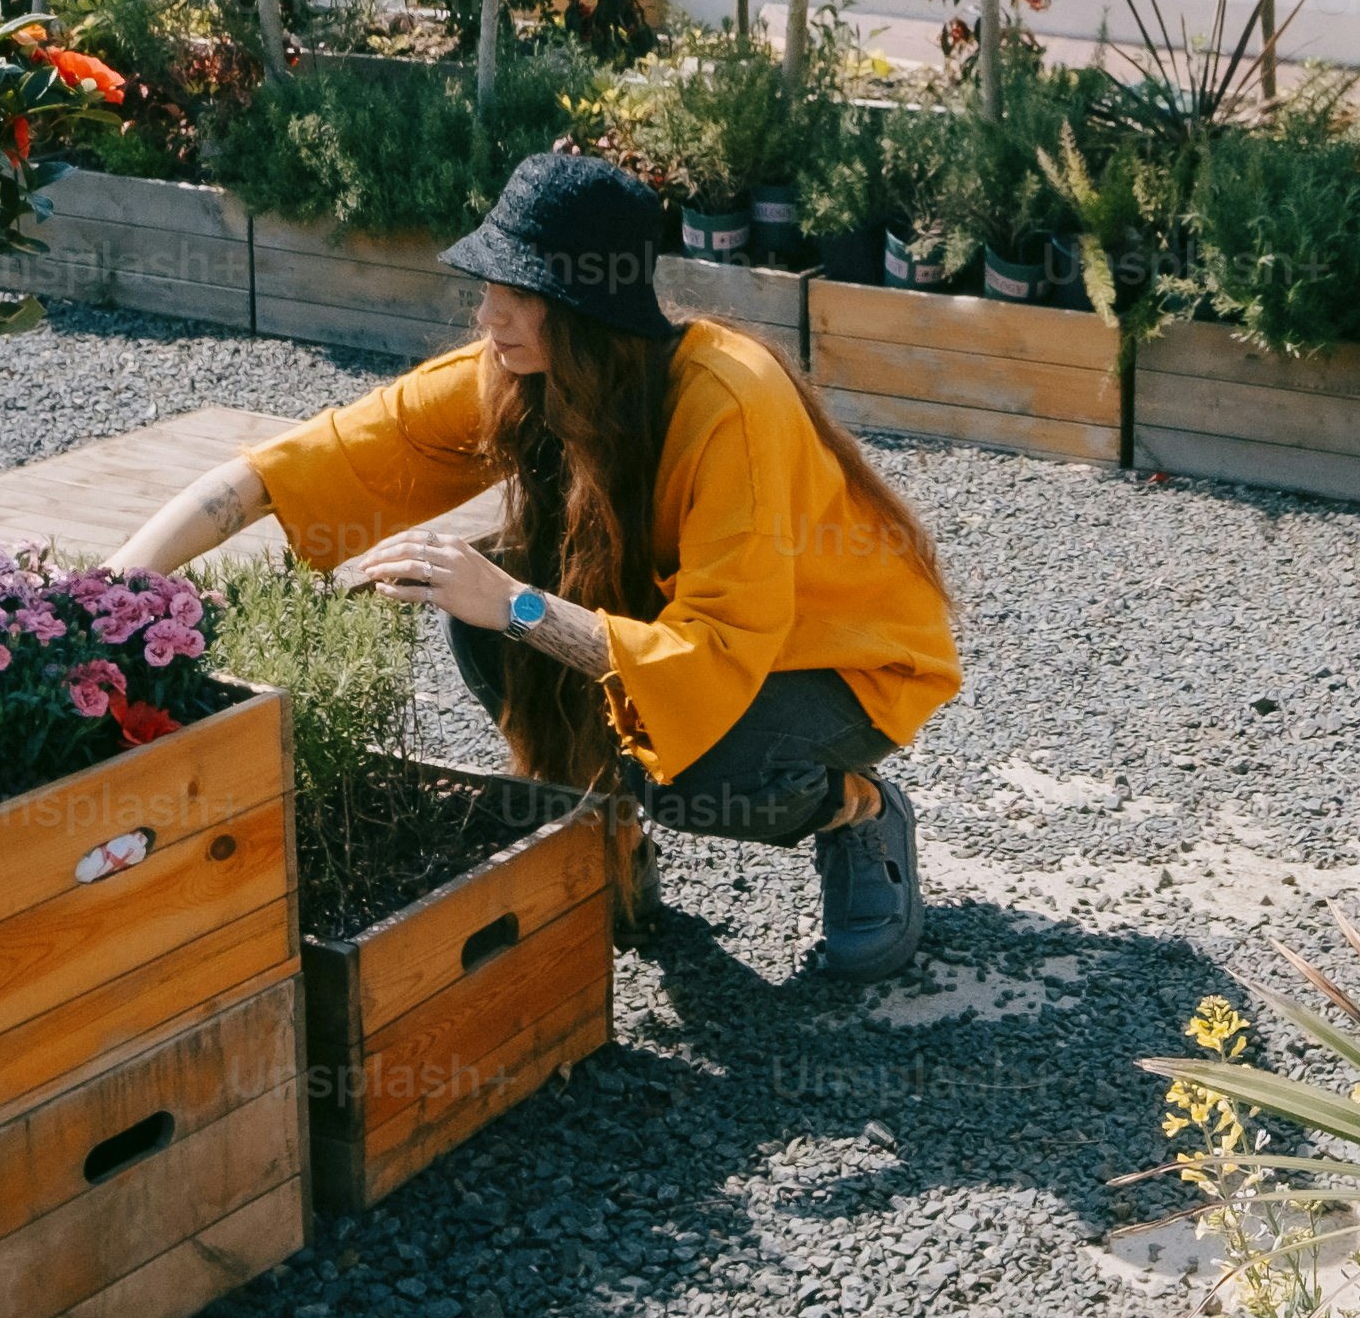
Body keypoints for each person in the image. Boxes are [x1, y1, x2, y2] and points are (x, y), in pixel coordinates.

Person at [108, 148, 956, 980]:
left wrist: (518, 605)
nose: (487, 316)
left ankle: (861, 810)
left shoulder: (732, 406)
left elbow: (715, 660)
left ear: (584, 307)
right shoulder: (519, 376)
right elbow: (285, 470)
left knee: (688, 769)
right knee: (486, 621)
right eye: (490, 288)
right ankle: (605, 832)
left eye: (516, 295)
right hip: (693, 646)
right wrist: (107, 590)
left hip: (836, 658)